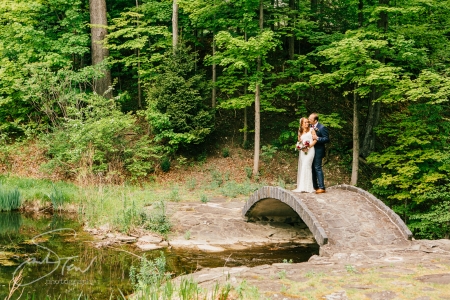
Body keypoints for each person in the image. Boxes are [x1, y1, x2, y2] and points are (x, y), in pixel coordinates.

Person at [292, 117, 317, 193]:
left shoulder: (312, 130)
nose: (307, 123)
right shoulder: (300, 131)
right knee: (303, 166)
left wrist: (308, 146)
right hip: (303, 151)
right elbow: (299, 141)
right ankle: (302, 186)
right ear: (302, 123)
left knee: (306, 165)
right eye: (305, 122)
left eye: (307, 122)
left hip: (310, 150)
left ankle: (308, 187)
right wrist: (300, 147)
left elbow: (315, 140)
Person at [308, 113, 330, 194]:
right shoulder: (309, 126)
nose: (309, 120)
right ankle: (315, 186)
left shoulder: (322, 127)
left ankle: (322, 187)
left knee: (317, 167)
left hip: (318, 150)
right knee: (312, 168)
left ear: (315, 120)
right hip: (310, 150)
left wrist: (317, 138)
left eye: (310, 119)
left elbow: (327, 139)